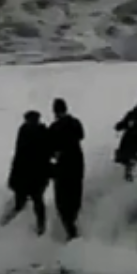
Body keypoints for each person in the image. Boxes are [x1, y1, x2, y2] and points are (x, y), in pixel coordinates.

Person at [6, 110, 53, 235]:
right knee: (36, 201)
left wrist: (13, 176)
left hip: (30, 174)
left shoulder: (26, 131)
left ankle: (38, 226)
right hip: (34, 175)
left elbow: (19, 155)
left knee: (31, 201)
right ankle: (39, 226)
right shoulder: (35, 131)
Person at [48, 98, 85, 241]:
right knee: (75, 197)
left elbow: (49, 149)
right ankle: (73, 226)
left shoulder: (54, 127)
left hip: (63, 167)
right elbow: (81, 136)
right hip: (77, 164)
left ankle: (71, 231)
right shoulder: (75, 122)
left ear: (55, 111)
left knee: (62, 202)